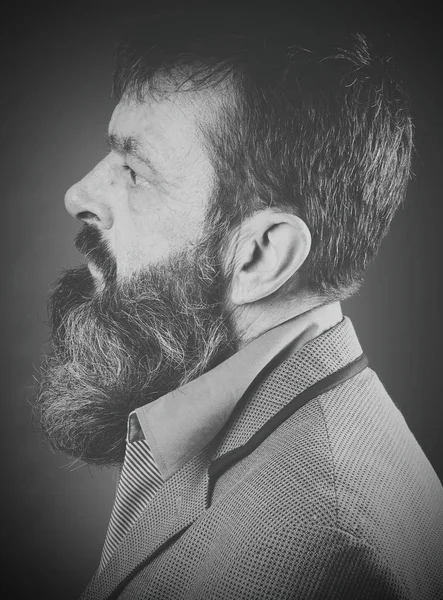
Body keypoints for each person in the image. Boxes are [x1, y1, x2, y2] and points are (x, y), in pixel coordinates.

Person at [34, 9, 443, 600]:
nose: (79, 195)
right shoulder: (228, 401)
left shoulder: (322, 554)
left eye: (134, 169)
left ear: (259, 256)